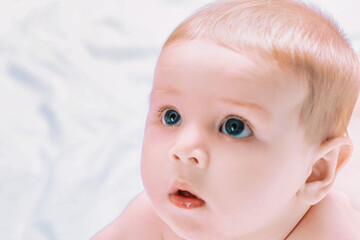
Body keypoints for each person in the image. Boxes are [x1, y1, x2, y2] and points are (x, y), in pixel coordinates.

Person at [92, 0, 360, 239]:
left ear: (315, 171)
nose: (183, 150)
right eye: (172, 117)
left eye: (235, 127)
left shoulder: (328, 233)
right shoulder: (149, 219)